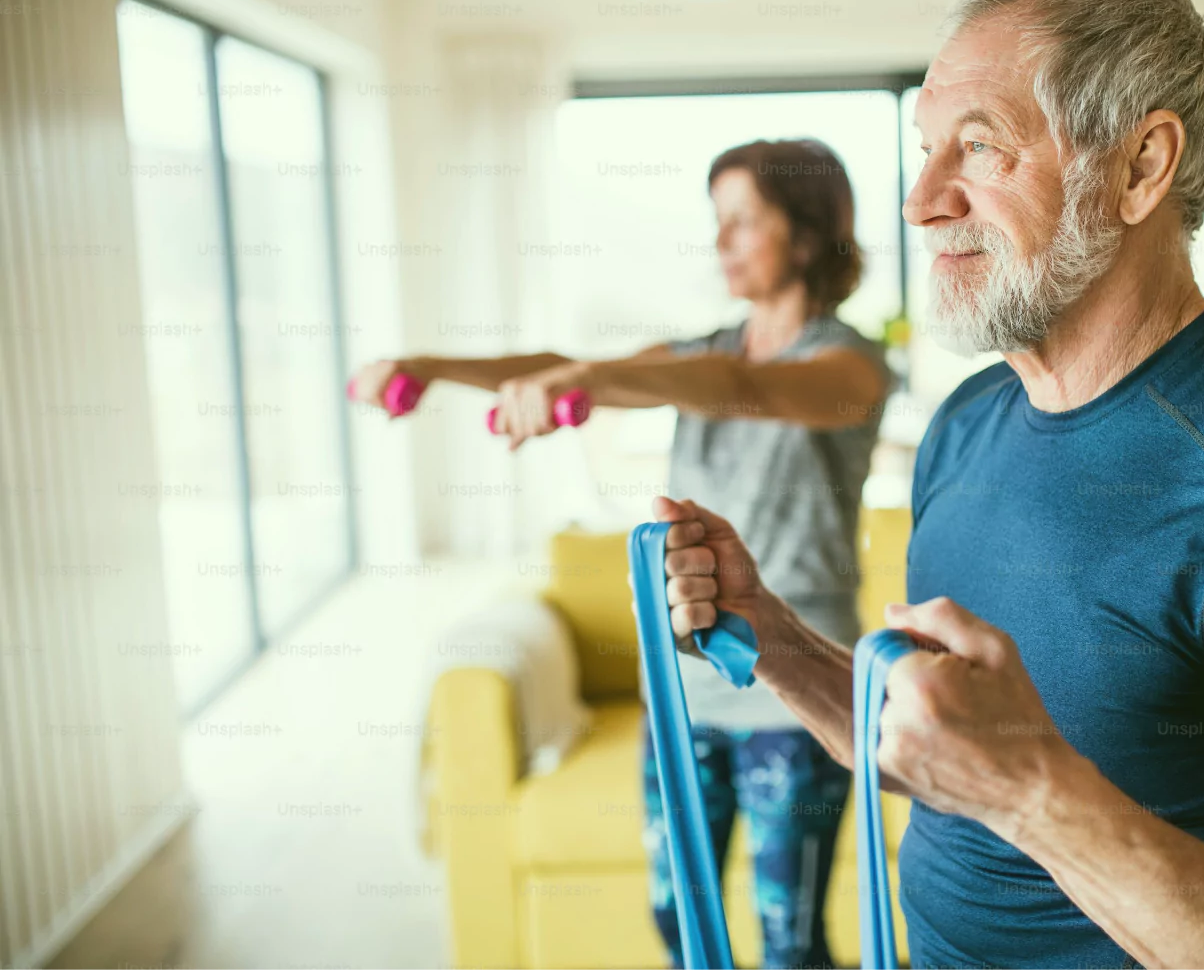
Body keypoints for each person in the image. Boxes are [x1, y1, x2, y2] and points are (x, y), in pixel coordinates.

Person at [653, 0, 1204, 970]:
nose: (921, 201)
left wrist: (1034, 789)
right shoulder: (967, 422)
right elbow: (944, 758)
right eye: (925, 148)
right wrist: (776, 640)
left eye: (978, 146)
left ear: (1139, 167)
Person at [349, 138, 889, 970]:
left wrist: (592, 385)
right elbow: (569, 366)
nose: (723, 243)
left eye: (744, 221)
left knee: (791, 941)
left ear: (809, 235)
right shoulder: (698, 353)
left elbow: (740, 388)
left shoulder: (848, 362)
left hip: (798, 696)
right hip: (681, 690)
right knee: (678, 927)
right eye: (718, 223)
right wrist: (436, 367)